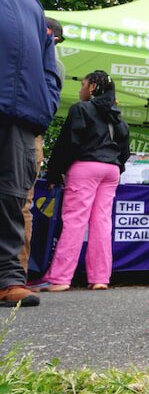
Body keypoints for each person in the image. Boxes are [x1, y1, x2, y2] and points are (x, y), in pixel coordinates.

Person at [33, 71, 130, 292]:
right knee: (102, 223)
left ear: (93, 87)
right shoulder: (118, 118)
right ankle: (100, 278)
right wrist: (115, 165)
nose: (81, 89)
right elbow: (125, 152)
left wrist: (55, 172)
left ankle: (60, 278)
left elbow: (68, 143)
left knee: (75, 221)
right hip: (111, 170)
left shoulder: (81, 109)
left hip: (85, 167)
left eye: (83, 84)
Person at [0, 0, 62, 307]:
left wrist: (45, 102)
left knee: (11, 197)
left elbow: (46, 60)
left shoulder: (27, 0)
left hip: (23, 114)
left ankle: (8, 278)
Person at [19, 17, 66, 274]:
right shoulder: (57, 66)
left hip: (24, 134)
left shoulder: (42, 62)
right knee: (22, 203)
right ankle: (16, 274)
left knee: (20, 203)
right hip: (32, 136)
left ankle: (14, 274)